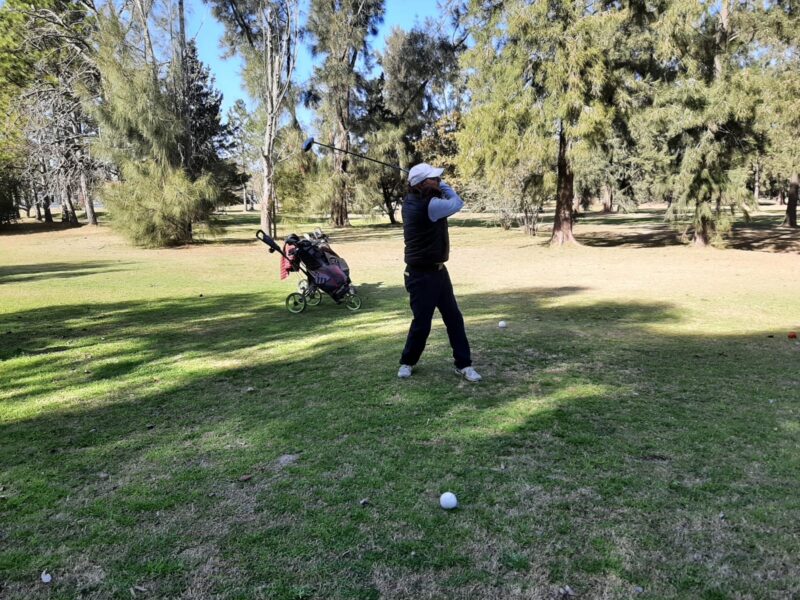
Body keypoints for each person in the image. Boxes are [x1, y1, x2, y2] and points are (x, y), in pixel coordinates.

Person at [397, 163, 482, 382]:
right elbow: (457, 202)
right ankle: (407, 362)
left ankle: (464, 364)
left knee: (454, 318)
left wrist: (433, 183)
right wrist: (444, 186)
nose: (438, 180)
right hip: (421, 276)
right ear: (422, 184)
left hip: (438, 272)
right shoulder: (430, 205)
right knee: (422, 323)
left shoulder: (411, 199)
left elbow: (431, 193)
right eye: (434, 178)